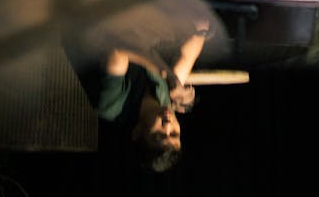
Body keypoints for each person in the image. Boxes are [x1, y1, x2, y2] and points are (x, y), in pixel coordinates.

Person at [63, 21, 213, 175]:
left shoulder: (111, 105)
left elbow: (118, 48)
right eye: (174, 133)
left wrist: (168, 75)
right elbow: (186, 58)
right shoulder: (164, 103)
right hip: (126, 25)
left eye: (159, 134)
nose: (168, 125)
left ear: (137, 132)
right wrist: (201, 31)